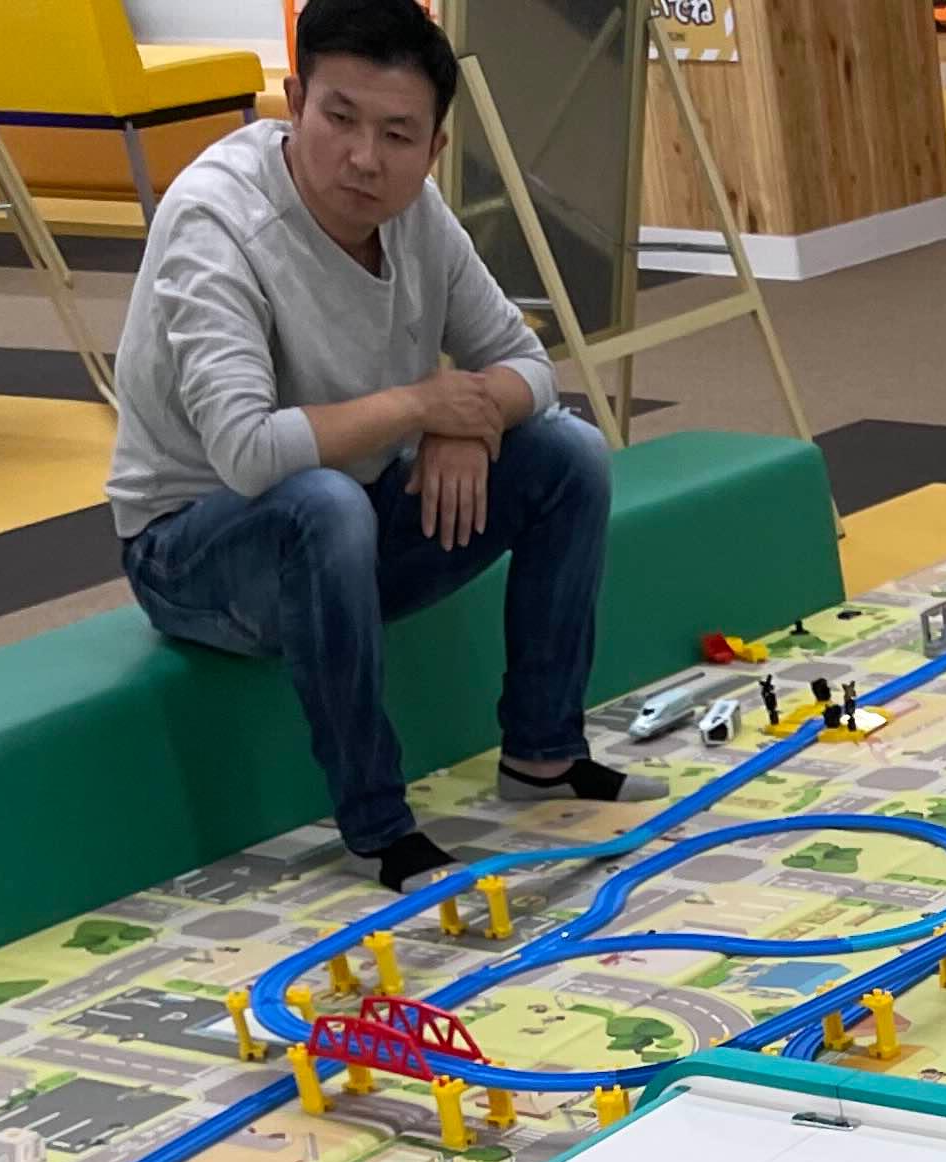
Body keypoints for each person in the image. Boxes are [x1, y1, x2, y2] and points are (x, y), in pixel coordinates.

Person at [106, 0, 625, 894]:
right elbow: (246, 454)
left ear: (434, 146)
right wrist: (424, 406)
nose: (363, 158)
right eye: (339, 118)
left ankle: (543, 752)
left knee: (568, 455)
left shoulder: (417, 213)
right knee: (323, 503)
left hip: (352, 516)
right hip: (192, 552)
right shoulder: (215, 220)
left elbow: (528, 365)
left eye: (396, 134)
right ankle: (378, 829)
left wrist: (465, 419)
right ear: (294, 101)